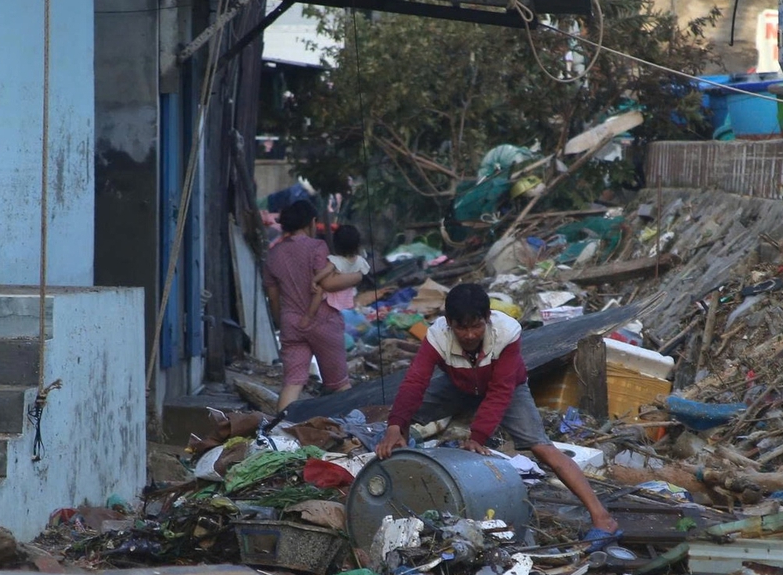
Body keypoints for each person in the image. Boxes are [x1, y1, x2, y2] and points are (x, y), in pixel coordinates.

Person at [377, 283, 621, 540]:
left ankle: (602, 518)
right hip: (457, 385)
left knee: (542, 447)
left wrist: (478, 436)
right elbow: (415, 381)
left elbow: (501, 390)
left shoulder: (507, 332)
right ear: (449, 323)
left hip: (508, 388)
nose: (470, 335)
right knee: (400, 420)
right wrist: (395, 425)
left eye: (476, 326)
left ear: (488, 318)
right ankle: (400, 477)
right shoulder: (437, 336)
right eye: (461, 327)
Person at [263, 198, 360, 412]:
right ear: (311, 222)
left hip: (291, 323)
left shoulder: (273, 254)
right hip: (323, 322)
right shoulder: (318, 247)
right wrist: (357, 276)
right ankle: (352, 430)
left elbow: (273, 298)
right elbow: (326, 283)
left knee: (293, 382)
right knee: (340, 384)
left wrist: (284, 323)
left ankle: (281, 432)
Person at [311, 222, 369, 319]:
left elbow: (326, 271)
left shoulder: (336, 260)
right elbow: (362, 275)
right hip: (349, 296)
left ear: (336, 244)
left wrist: (314, 280)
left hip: (334, 297)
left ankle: (310, 315)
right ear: (357, 244)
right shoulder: (360, 261)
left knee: (320, 289)